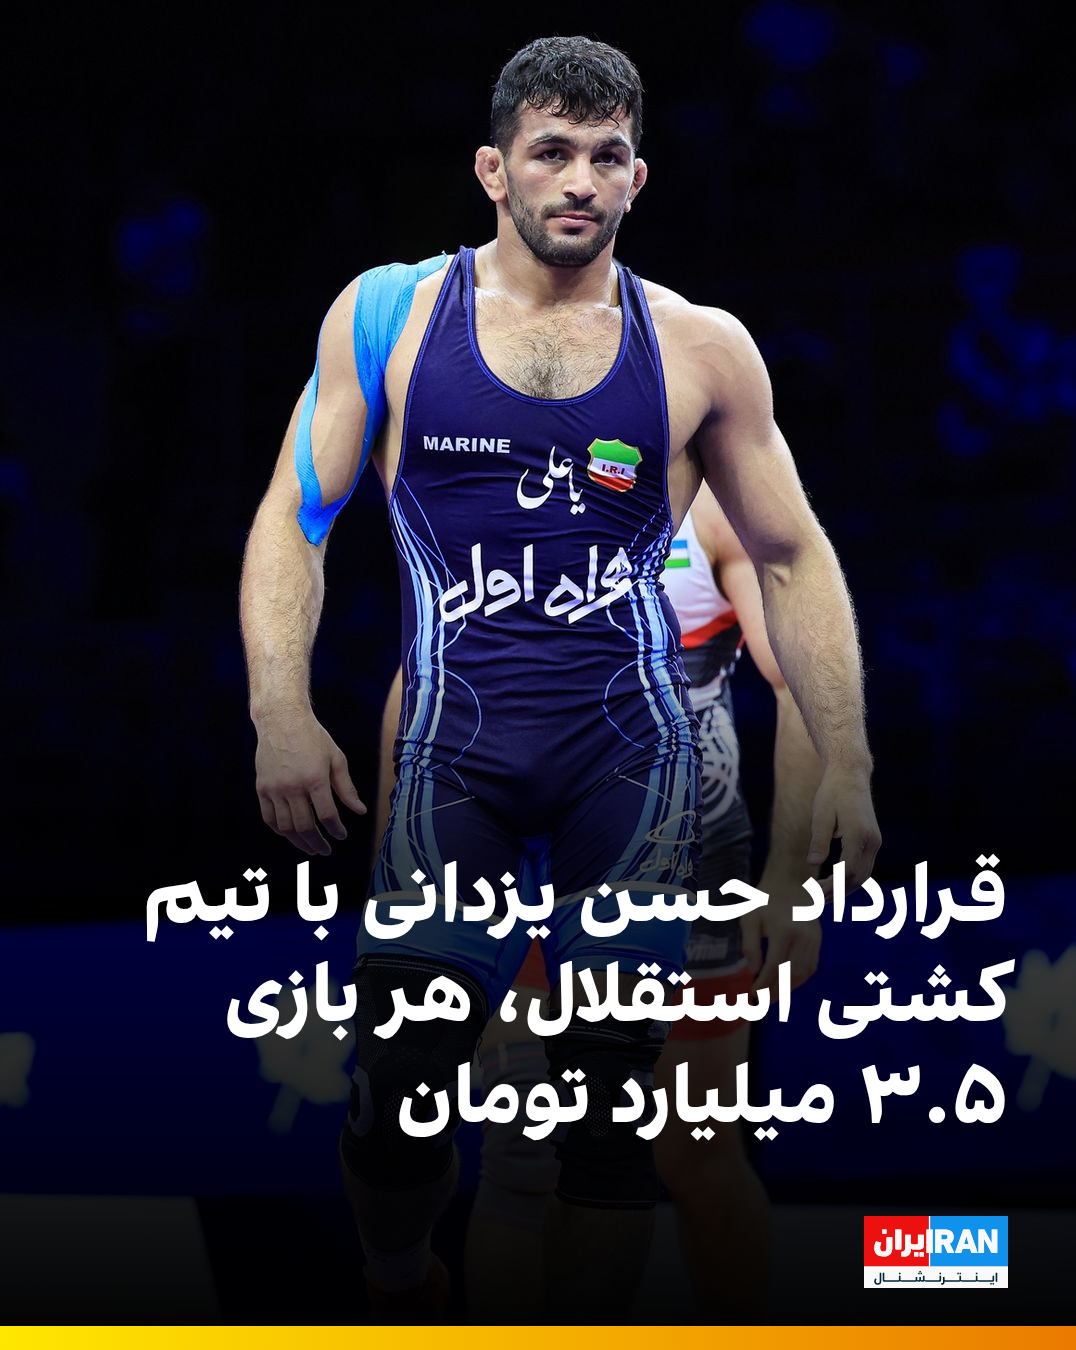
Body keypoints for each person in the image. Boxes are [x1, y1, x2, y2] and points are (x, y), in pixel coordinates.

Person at [239, 34, 880, 1324]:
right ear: (495, 170)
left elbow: (793, 560)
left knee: (619, 1138)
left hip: (633, 780)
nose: (579, 180)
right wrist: (280, 711)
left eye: (606, 156)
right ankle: (398, 1272)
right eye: (551, 153)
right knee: (400, 1102)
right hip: (458, 765)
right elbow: (293, 517)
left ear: (639, 176)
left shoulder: (700, 351)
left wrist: (847, 765)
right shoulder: (389, 316)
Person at [364, 483, 824, 1320]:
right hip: (523, 859)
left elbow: (803, 683)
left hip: (686, 871)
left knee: (695, 1157)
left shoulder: (716, 512)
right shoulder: (502, 498)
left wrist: (791, 877)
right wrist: (398, 885)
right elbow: (420, 681)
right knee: (523, 1160)